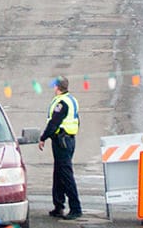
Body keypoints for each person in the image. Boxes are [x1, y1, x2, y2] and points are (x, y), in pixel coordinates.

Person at [38, 77, 81, 220]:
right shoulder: (71, 99)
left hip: (62, 141)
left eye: (54, 86)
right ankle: (58, 206)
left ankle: (75, 208)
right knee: (59, 174)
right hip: (68, 140)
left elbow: (54, 123)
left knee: (66, 175)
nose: (53, 88)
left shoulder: (61, 103)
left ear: (57, 87)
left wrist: (43, 138)